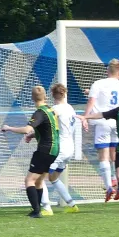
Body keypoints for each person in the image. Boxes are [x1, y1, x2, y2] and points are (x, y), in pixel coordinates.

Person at [82, 59, 119, 202]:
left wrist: (85, 117)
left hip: (103, 121)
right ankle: (117, 180)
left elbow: (91, 102)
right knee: (117, 152)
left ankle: (109, 185)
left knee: (103, 155)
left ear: (107, 70)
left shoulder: (97, 84)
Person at [2, 86, 59, 218]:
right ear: (45, 96)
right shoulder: (51, 110)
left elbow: (27, 129)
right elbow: (48, 131)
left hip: (44, 149)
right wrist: (34, 136)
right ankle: (37, 209)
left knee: (29, 180)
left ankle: (36, 211)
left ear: (32, 98)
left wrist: (9, 128)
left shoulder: (39, 112)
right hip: (54, 150)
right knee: (38, 181)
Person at [30, 83, 79, 215]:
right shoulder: (70, 108)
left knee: (39, 178)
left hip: (59, 148)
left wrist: (32, 134)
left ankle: (46, 208)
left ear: (52, 95)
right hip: (70, 148)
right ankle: (72, 204)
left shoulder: (54, 110)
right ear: (65, 93)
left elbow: (50, 129)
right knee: (53, 178)